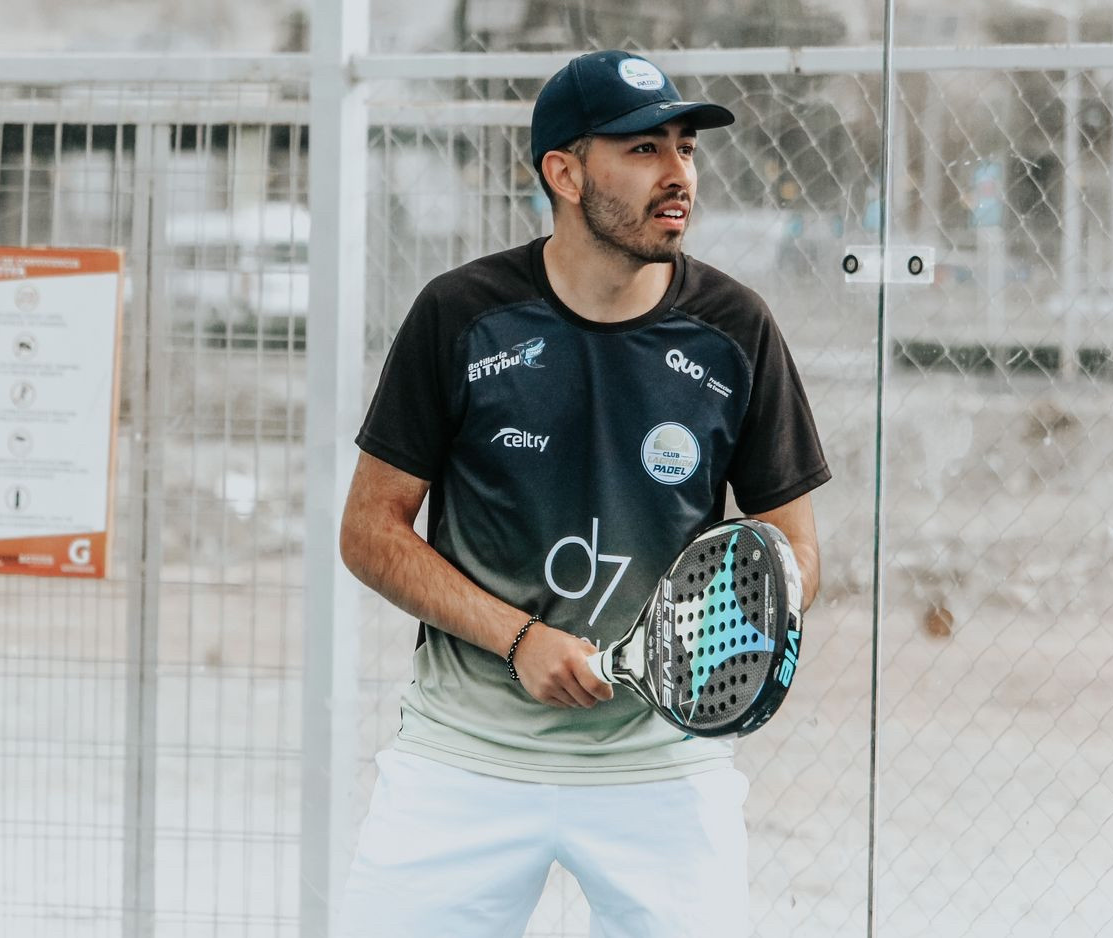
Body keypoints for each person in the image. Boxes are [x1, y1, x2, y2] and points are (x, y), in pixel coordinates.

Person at [336, 49, 830, 938]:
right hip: (466, 754)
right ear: (564, 174)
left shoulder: (735, 329)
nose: (678, 174)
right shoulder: (461, 315)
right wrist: (517, 639)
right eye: (643, 150)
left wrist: (691, 645)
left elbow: (792, 551)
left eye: (686, 148)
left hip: (662, 766)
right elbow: (370, 531)